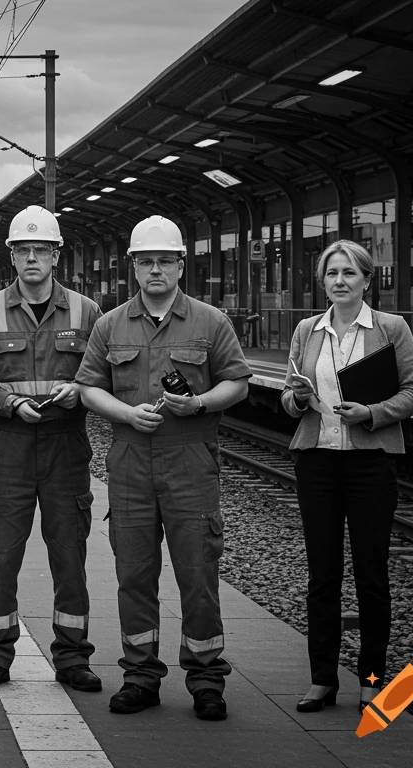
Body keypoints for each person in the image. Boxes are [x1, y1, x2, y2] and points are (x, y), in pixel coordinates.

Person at [75, 215, 250, 721]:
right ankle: (141, 676)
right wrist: (126, 413)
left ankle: (206, 678)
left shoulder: (211, 321)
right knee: (134, 575)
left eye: (165, 261)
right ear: (133, 267)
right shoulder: (110, 324)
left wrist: (197, 405)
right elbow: (90, 388)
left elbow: (237, 383)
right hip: (130, 462)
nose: (156, 269)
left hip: (191, 461)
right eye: (146, 261)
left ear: (180, 266)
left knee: (198, 573)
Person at [0, 205, 104, 694]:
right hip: (9, 445)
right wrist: (10, 403)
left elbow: (104, 376)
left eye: (42, 249)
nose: (32, 257)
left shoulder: (86, 312)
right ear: (13, 257)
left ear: (56, 255)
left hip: (66, 445)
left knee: (69, 556)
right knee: (1, 554)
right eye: (24, 250)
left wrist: (81, 391)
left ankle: (73, 656)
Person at [281, 240, 413, 714]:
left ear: (367, 279)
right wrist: (298, 399)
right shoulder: (307, 329)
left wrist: (372, 412)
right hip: (317, 462)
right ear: (322, 281)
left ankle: (371, 681)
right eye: (331, 274)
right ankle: (322, 679)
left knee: (372, 575)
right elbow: (288, 396)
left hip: (370, 463)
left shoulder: (390, 328)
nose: (339, 281)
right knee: (322, 576)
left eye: (349, 273)